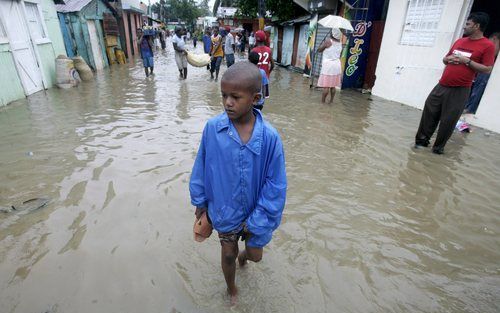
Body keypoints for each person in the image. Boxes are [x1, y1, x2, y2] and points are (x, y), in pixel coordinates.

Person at [189, 61, 287, 305]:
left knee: (255, 256)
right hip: (225, 208)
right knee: (228, 254)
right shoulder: (213, 129)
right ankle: (231, 288)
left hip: (257, 210)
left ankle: (245, 257)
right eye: (224, 95)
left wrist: (261, 218)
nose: (227, 103)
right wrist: (200, 202)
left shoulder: (270, 138)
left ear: (254, 98)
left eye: (235, 97)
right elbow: (201, 166)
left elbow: (276, 184)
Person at [415, 12, 495, 154]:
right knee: (429, 112)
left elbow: (488, 69)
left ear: (477, 26)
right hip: (442, 85)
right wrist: (449, 59)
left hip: (460, 89)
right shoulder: (460, 41)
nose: (465, 27)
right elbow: (445, 59)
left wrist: (468, 61)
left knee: (448, 120)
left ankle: (437, 150)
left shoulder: (487, 45)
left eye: (468, 24)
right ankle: (420, 143)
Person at [463, 32, 499, 114]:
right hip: (483, 67)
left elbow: (494, 53)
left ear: (494, 38)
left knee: (478, 87)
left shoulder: (494, 40)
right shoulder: (490, 42)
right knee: (476, 87)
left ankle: (470, 108)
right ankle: (469, 107)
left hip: (486, 68)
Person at [317, 28, 343, 103]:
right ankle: (331, 101)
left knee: (326, 86)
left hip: (328, 66)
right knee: (333, 85)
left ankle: (322, 102)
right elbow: (339, 55)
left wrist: (322, 45)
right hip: (337, 65)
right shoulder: (340, 43)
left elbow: (319, 50)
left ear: (332, 33)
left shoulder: (328, 41)